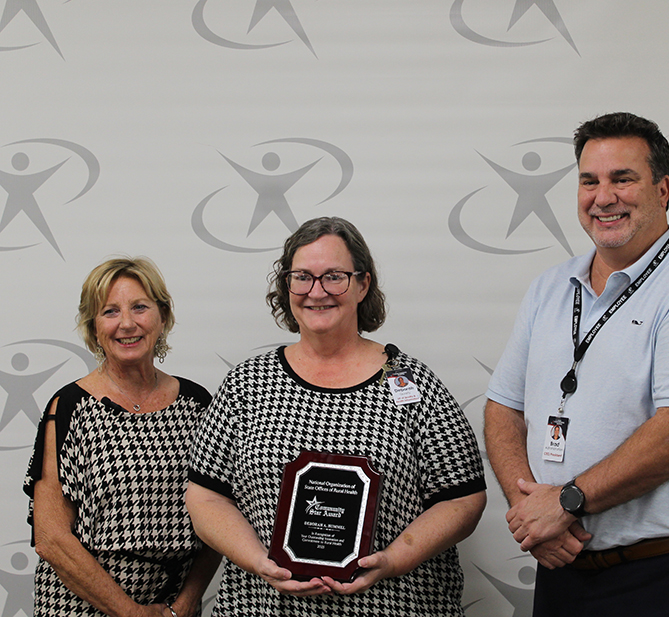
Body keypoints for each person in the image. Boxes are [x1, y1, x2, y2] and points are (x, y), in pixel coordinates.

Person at [484, 112, 669, 616]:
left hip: (666, 575)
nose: (603, 197)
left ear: (663, 188)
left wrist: (564, 502)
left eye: (622, 179)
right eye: (589, 181)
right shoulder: (550, 288)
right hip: (563, 568)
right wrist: (530, 511)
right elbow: (503, 408)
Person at [186, 216, 486, 616]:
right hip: (265, 606)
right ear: (286, 286)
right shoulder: (246, 384)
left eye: (334, 277)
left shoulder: (410, 382)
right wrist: (259, 562)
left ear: (362, 284)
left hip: (394, 605)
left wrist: (394, 559)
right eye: (302, 277)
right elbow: (205, 495)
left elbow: (463, 497)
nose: (317, 291)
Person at [23, 257, 222, 617]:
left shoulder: (198, 405)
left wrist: (186, 603)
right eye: (110, 311)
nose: (127, 324)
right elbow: (50, 537)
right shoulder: (69, 407)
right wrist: (128, 612)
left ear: (162, 317)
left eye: (140, 307)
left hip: (171, 606)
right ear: (93, 326)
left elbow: (220, 516)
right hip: (80, 605)